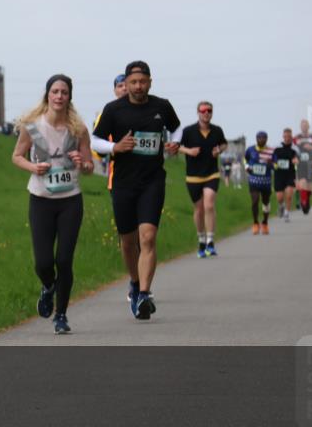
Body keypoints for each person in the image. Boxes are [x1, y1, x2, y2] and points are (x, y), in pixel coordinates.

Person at [92, 61, 181, 320]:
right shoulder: (114, 110)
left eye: (143, 82)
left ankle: (144, 293)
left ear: (150, 82)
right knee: (128, 241)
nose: (138, 86)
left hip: (152, 180)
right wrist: (115, 148)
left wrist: (174, 144)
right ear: (126, 84)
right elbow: (95, 139)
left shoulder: (161, 106)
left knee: (148, 237)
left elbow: (176, 128)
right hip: (123, 183)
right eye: (133, 82)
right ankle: (134, 281)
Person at [12, 74, 94, 334]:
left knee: (65, 260)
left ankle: (61, 315)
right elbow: (16, 156)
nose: (59, 96)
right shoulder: (32, 126)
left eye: (64, 92)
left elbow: (91, 166)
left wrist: (83, 164)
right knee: (43, 263)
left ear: (70, 97)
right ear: (47, 94)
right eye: (55, 91)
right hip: (41, 200)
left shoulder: (78, 129)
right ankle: (48, 287)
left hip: (70, 200)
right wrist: (33, 167)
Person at [179, 101, 227, 257]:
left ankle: (211, 242)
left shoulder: (217, 130)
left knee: (209, 204)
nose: (206, 113)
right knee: (199, 209)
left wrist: (219, 150)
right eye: (203, 110)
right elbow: (176, 146)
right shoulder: (188, 131)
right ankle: (201, 240)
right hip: (193, 176)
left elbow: (224, 144)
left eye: (209, 110)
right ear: (198, 112)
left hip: (211, 173)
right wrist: (189, 151)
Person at [91, 73, 127, 190]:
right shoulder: (106, 113)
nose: (124, 88)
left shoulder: (146, 111)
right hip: (118, 175)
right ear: (115, 91)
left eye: (127, 85)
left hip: (147, 178)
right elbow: (97, 146)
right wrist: (112, 148)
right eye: (120, 86)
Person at [244, 131, 274, 235]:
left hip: (266, 182)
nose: (261, 140)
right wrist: (247, 167)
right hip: (254, 181)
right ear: (256, 139)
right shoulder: (250, 150)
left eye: (263, 138)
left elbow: (276, 163)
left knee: (265, 202)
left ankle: (265, 223)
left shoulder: (271, 151)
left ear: (266, 139)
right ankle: (255, 223)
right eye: (259, 138)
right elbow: (245, 160)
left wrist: (272, 165)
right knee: (255, 200)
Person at [272, 128, 298, 222]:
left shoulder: (295, 148)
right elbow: (272, 157)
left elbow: (298, 158)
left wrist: (296, 161)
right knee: (279, 197)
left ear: (291, 137)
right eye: (285, 136)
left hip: (290, 174)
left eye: (289, 136)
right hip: (279, 174)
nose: (287, 138)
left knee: (289, 195)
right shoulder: (276, 147)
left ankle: (287, 213)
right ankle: (281, 206)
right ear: (283, 136)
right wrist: (274, 162)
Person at [294, 120, 312, 214]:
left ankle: (306, 199)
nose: (304, 127)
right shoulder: (296, 137)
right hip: (300, 163)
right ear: (300, 127)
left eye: (306, 125)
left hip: (310, 163)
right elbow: (292, 148)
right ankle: (303, 202)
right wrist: (294, 158)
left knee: (308, 185)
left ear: (308, 126)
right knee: (302, 182)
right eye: (302, 125)